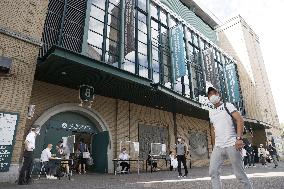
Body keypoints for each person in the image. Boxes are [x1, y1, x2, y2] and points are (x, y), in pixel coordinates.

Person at [207, 87, 253, 189]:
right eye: (210, 94)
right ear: (208, 97)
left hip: (232, 143)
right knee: (213, 172)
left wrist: (239, 139)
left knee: (239, 174)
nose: (212, 95)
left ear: (219, 95)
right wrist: (214, 144)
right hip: (218, 146)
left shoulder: (227, 105)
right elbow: (213, 128)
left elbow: (240, 120)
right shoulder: (210, 112)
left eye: (214, 92)